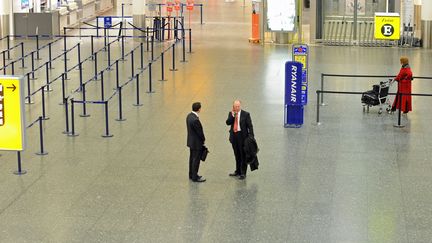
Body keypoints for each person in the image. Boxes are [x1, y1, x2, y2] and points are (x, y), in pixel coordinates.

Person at [226, 100, 254, 180]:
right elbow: (228, 123)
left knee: (243, 155)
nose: (237, 108)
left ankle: (243, 173)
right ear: (233, 106)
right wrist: (232, 116)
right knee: (237, 154)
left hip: (242, 137)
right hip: (234, 137)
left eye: (238, 106)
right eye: (236, 106)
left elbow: (250, 126)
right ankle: (237, 170)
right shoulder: (231, 113)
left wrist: (251, 137)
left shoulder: (246, 114)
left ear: (240, 106)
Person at [186, 102, 206, 182]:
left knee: (191, 158)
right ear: (199, 109)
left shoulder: (189, 116)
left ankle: (191, 174)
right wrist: (203, 140)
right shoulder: (195, 120)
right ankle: (195, 176)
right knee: (196, 160)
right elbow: (200, 132)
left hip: (191, 142)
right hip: (197, 143)